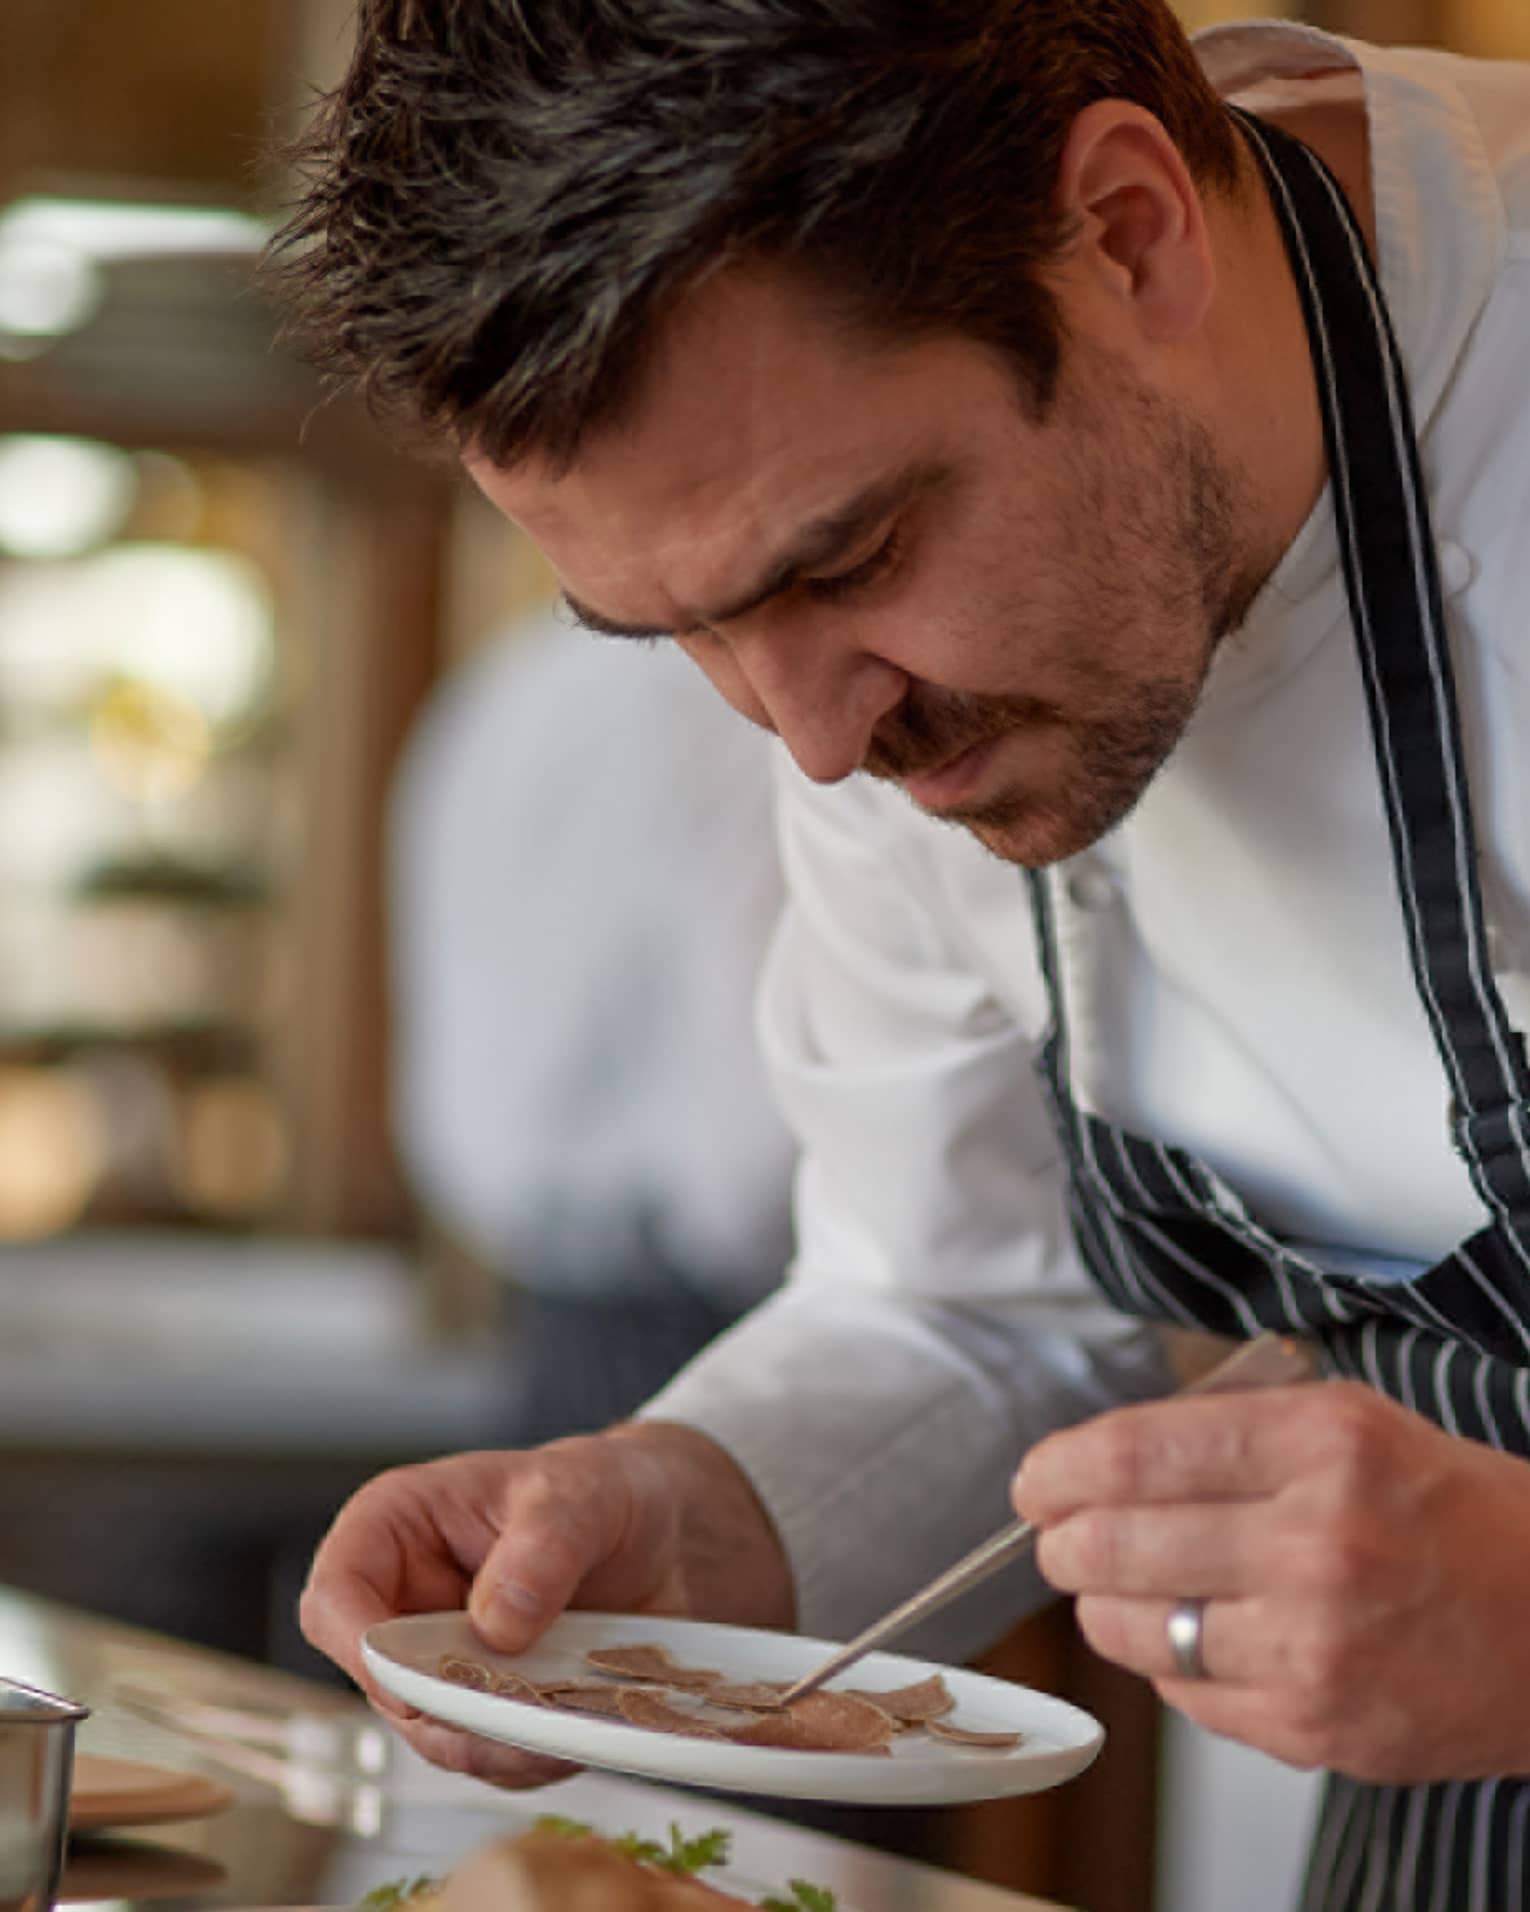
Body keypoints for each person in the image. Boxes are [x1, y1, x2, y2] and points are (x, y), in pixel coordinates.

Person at [270, 6, 1530, 1906]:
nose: (816, 747)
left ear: (1126, 230)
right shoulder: (872, 684)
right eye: (676, 632)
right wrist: (685, 1523)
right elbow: (976, 1295)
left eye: (846, 558)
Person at [389, 605, 794, 1439]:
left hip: (543, 1304)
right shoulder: (727, 709)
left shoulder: (501, 692)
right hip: (708, 1305)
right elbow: (753, 1078)